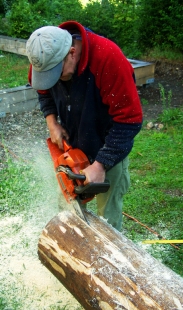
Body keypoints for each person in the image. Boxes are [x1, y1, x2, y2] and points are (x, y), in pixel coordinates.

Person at [26, 20, 143, 231]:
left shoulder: (108, 59)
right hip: (72, 145)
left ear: (71, 53)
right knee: (67, 208)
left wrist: (101, 164)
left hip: (108, 144)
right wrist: (52, 121)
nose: (53, 80)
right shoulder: (44, 54)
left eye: (56, 74)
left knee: (108, 219)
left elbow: (130, 120)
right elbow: (43, 91)